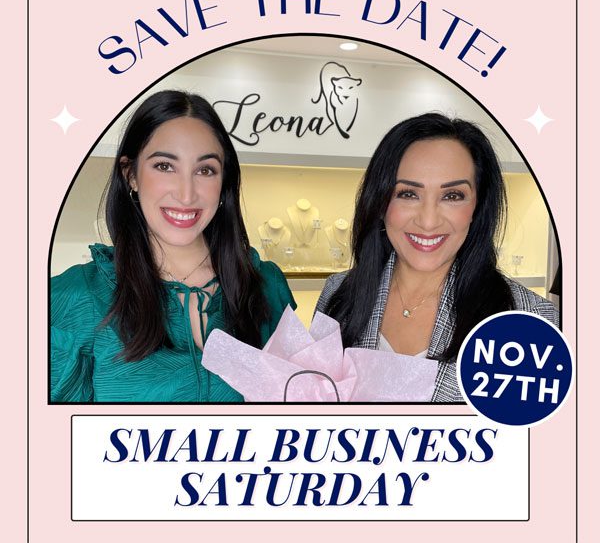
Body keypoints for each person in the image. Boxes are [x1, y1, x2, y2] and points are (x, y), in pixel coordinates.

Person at [51, 90, 296, 402]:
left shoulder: (266, 285)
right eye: (165, 166)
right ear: (131, 175)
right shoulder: (72, 299)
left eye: (205, 170)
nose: (186, 193)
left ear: (224, 183)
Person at [315, 113, 558, 402]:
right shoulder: (339, 292)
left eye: (452, 196)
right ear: (380, 201)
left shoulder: (528, 319)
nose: (428, 221)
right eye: (407, 194)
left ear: (477, 206)